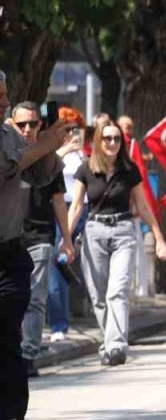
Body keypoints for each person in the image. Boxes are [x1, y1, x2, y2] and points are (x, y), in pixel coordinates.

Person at [1, 71, 72, 420]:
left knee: (7, 328)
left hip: (11, 252)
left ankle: (9, 418)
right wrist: (39, 143)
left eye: (5, 94)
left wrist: (50, 146)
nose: (2, 100)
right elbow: (7, 166)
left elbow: (43, 177)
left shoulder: (12, 136)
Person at [67, 119, 166, 366]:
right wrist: (66, 239)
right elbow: (77, 206)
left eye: (116, 139)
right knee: (99, 295)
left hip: (124, 231)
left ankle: (115, 346)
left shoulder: (130, 169)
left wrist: (158, 238)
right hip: (94, 232)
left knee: (118, 290)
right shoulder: (85, 170)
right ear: (98, 142)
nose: (112, 143)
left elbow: (143, 206)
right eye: (107, 138)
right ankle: (109, 340)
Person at [8, 104, 75, 378]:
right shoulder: (7, 155)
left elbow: (59, 201)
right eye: (21, 124)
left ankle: (28, 354)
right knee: (11, 299)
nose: (27, 129)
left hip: (39, 237)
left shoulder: (47, 159)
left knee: (35, 298)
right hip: (10, 239)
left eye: (33, 124)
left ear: (40, 125)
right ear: (11, 124)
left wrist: (67, 239)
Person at [47, 109, 85, 343]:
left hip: (82, 209)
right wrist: (64, 150)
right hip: (59, 208)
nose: (71, 134)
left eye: (75, 128)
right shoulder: (53, 152)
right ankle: (58, 324)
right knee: (57, 262)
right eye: (66, 128)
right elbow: (46, 169)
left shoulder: (87, 154)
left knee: (76, 263)